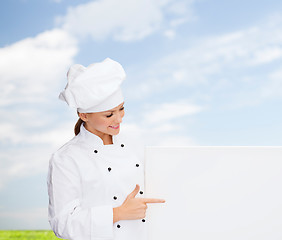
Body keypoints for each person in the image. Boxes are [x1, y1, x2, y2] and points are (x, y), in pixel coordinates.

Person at [47, 58, 165, 240]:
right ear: (83, 115)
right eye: (109, 114)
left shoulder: (135, 142)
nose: (119, 119)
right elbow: (63, 223)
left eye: (121, 109)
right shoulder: (66, 158)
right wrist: (117, 213)